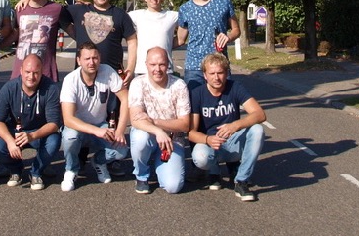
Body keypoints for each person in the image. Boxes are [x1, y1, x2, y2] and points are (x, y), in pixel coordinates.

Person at [188, 53, 266, 202]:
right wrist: (208, 139)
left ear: (226, 73)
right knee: (200, 157)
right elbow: (191, 133)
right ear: (205, 75)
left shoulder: (235, 87)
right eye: (212, 73)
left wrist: (235, 125)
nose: (216, 78)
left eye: (220, 73)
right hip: (210, 144)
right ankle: (213, 170)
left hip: (232, 141)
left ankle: (241, 180)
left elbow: (260, 114)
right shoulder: (197, 94)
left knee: (258, 130)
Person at [59, 41, 130, 192]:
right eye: (87, 59)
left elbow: (125, 98)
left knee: (122, 150)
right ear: (78, 60)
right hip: (78, 127)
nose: (91, 62)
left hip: (100, 125)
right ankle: (71, 170)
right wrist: (96, 131)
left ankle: (98, 161)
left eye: (95, 58)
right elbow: (68, 119)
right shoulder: (70, 80)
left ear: (100, 58)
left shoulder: (108, 71)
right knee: (69, 138)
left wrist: (120, 130)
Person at [0, 54, 61, 190]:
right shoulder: (9, 88)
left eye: (36, 73)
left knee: (54, 141)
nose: (31, 77)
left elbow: (54, 123)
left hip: (39, 133)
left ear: (42, 72)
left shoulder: (51, 89)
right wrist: (11, 142)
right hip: (15, 133)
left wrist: (32, 136)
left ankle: (36, 171)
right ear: (21, 71)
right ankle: (15, 169)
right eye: (28, 72)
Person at [128, 47, 190, 195]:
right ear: (146, 65)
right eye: (153, 65)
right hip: (148, 135)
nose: (157, 69)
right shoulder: (137, 83)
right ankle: (141, 175)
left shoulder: (179, 85)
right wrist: (157, 131)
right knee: (139, 138)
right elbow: (136, 119)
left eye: (162, 64)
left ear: (168, 64)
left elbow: (185, 124)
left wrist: (154, 122)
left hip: (172, 140)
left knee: (173, 187)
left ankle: (159, 164)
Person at [177, 0, 240, 87]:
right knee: (195, 105)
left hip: (219, 65)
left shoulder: (223, 2)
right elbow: (180, 40)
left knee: (224, 104)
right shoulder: (185, 9)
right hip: (194, 67)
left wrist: (228, 37)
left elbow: (236, 30)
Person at [68, 0, 137, 82]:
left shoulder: (120, 14)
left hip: (112, 75)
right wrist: (75, 33)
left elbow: (132, 41)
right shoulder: (79, 10)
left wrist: (130, 69)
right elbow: (57, 14)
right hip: (84, 75)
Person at [11, 0, 74, 82]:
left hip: (46, 75)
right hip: (20, 75)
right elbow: (15, 34)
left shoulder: (57, 9)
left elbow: (74, 32)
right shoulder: (19, 9)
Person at [128, 0, 178, 77]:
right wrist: (88, 7)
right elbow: (113, 17)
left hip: (165, 70)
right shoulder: (136, 15)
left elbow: (194, 20)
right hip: (142, 70)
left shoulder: (173, 16)